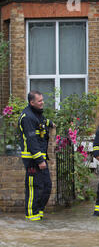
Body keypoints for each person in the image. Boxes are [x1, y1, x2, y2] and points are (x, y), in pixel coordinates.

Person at [18, 90, 55, 221]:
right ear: (31, 102)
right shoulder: (27, 117)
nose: (42, 103)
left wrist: (50, 123)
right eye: (39, 101)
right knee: (35, 188)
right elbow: (31, 140)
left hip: (40, 158)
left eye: (42, 100)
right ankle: (31, 216)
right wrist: (40, 159)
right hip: (32, 159)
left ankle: (38, 214)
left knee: (46, 186)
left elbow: (42, 122)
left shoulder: (36, 114)